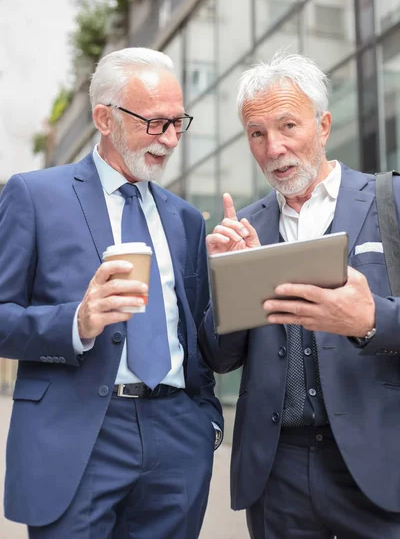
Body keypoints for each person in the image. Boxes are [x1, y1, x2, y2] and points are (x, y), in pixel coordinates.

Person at [0, 47, 223, 539]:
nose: (169, 140)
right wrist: (74, 323)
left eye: (177, 123)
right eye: (155, 123)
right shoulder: (34, 196)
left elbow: (194, 333)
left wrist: (205, 419)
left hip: (176, 437)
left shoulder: (185, 219)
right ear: (104, 117)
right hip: (77, 438)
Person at [199, 51, 400, 539]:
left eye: (288, 125)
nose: (274, 148)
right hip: (277, 472)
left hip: (378, 463)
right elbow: (218, 358)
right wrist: (231, 280)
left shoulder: (389, 202)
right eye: (257, 133)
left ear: (325, 125)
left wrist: (373, 321)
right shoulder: (246, 226)